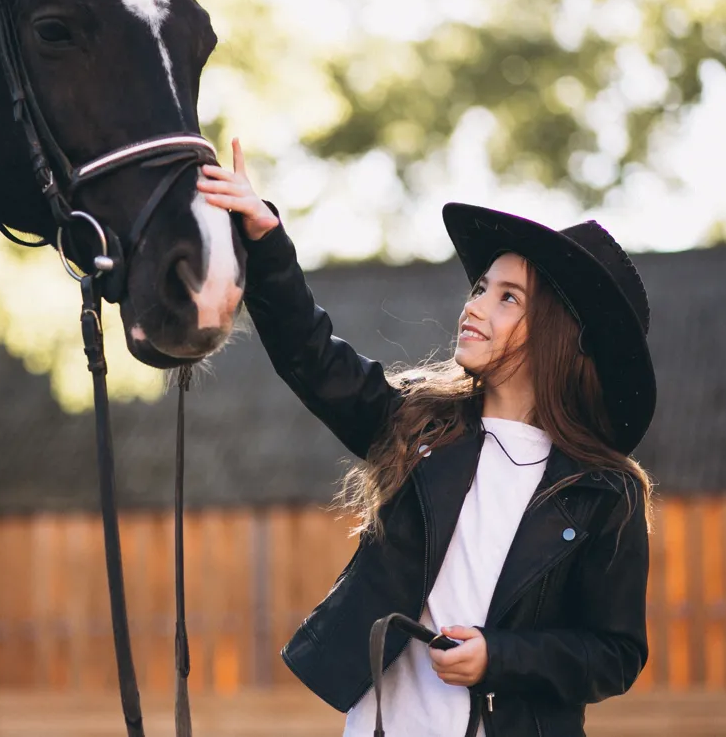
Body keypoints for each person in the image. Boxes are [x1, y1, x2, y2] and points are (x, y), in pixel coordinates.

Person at [197, 140, 656, 737]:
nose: (476, 306)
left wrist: (501, 657)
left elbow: (615, 654)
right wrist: (264, 239)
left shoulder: (605, 493)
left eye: (507, 297)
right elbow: (311, 355)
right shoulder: (416, 428)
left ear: (560, 338)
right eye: (480, 288)